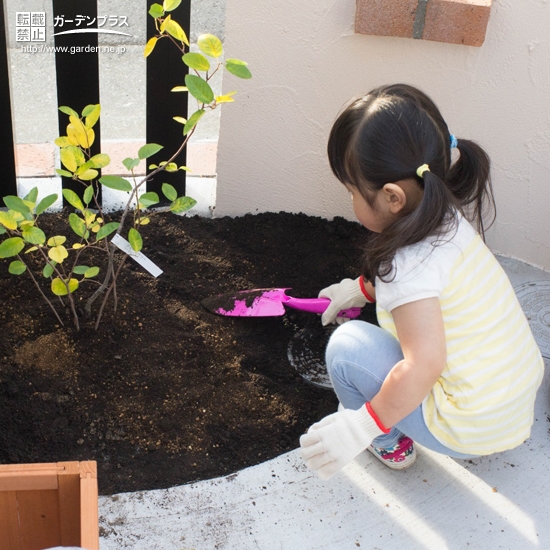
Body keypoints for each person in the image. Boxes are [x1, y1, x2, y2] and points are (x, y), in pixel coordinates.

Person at [299, 84, 544, 480]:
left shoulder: (406, 264)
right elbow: (432, 290)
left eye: (351, 191)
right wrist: (358, 290)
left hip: (467, 428)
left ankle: (390, 443)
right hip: (511, 404)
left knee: (346, 348)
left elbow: (424, 364)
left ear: (393, 197)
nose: (350, 199)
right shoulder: (446, 219)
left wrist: (361, 426)